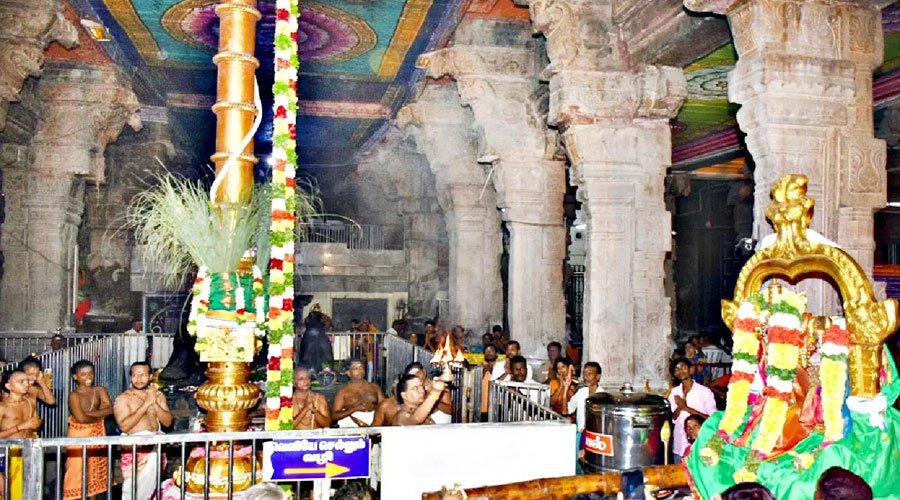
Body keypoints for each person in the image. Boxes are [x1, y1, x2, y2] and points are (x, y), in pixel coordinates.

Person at [114, 362, 172, 500]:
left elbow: (167, 422)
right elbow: (124, 426)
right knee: (132, 491)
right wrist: (146, 404)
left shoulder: (158, 396)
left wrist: (153, 402)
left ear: (150, 376)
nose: (139, 379)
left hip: (155, 450)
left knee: (152, 492)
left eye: (143, 375)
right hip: (135, 451)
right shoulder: (123, 398)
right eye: (135, 375)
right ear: (130, 377)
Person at [64, 360, 113, 500]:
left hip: (97, 432)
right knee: (76, 470)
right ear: (75, 377)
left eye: (91, 373)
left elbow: (110, 409)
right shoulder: (74, 395)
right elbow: (81, 419)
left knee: (94, 470)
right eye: (83, 374)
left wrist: (89, 415)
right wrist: (99, 416)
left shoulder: (99, 390)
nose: (88, 377)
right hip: (79, 434)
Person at [0, 369, 42, 500]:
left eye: (27, 381)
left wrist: (36, 424)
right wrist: (21, 427)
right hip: (8, 454)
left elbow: (34, 425)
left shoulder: (29, 402)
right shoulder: (2, 407)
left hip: (27, 452)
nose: (26, 384)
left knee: (28, 492)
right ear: (8, 386)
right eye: (21, 381)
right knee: (8, 493)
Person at [667, 358, 716, 463]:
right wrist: (680, 407)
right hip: (679, 445)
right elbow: (672, 418)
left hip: (701, 444)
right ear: (675, 374)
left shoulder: (704, 392)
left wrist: (686, 408)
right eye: (677, 369)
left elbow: (712, 419)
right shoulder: (674, 392)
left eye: (683, 367)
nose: (680, 371)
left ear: (691, 369)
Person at [568, 362, 601, 469]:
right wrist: (565, 389)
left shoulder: (603, 396)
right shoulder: (581, 392)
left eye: (589, 374)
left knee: (591, 467)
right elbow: (567, 410)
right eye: (584, 374)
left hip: (594, 437)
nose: (586, 377)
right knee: (576, 467)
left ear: (598, 377)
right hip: (580, 434)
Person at [332, 360, 384, 427]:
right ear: (348, 373)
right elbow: (334, 416)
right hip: (351, 426)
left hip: (375, 422)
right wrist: (354, 409)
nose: (360, 370)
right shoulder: (343, 392)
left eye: (361, 367)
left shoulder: (374, 387)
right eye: (356, 368)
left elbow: (384, 406)